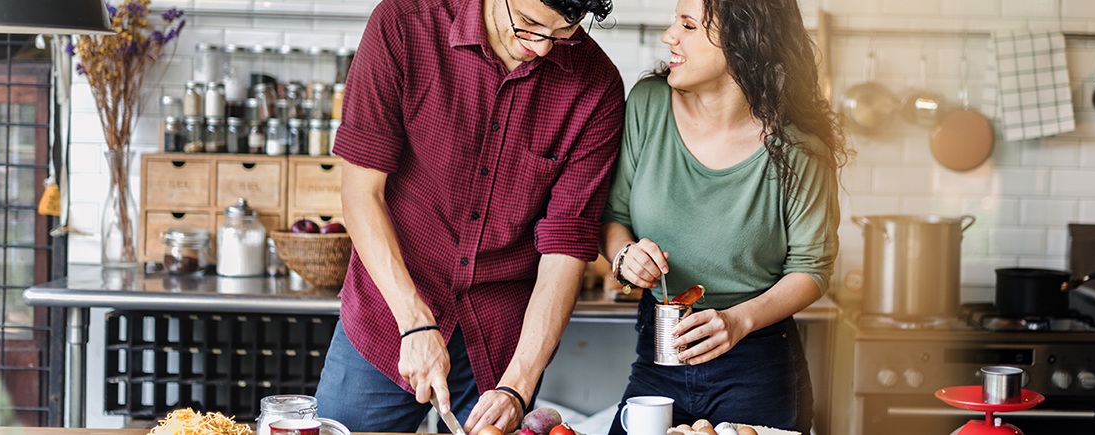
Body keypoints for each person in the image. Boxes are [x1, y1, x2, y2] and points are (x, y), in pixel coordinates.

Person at [314, 0, 624, 431]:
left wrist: (518, 385)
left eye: (561, 33)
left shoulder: (596, 86)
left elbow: (565, 250)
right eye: (529, 25)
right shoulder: (405, 24)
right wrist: (415, 323)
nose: (540, 49)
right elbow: (362, 193)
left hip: (501, 345)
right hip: (389, 316)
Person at [599, 0, 845, 431]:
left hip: (758, 367)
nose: (668, 35)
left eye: (689, 25)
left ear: (743, 41)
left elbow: (812, 269)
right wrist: (624, 256)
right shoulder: (648, 105)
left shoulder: (800, 148)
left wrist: (738, 321)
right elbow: (614, 216)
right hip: (659, 355)